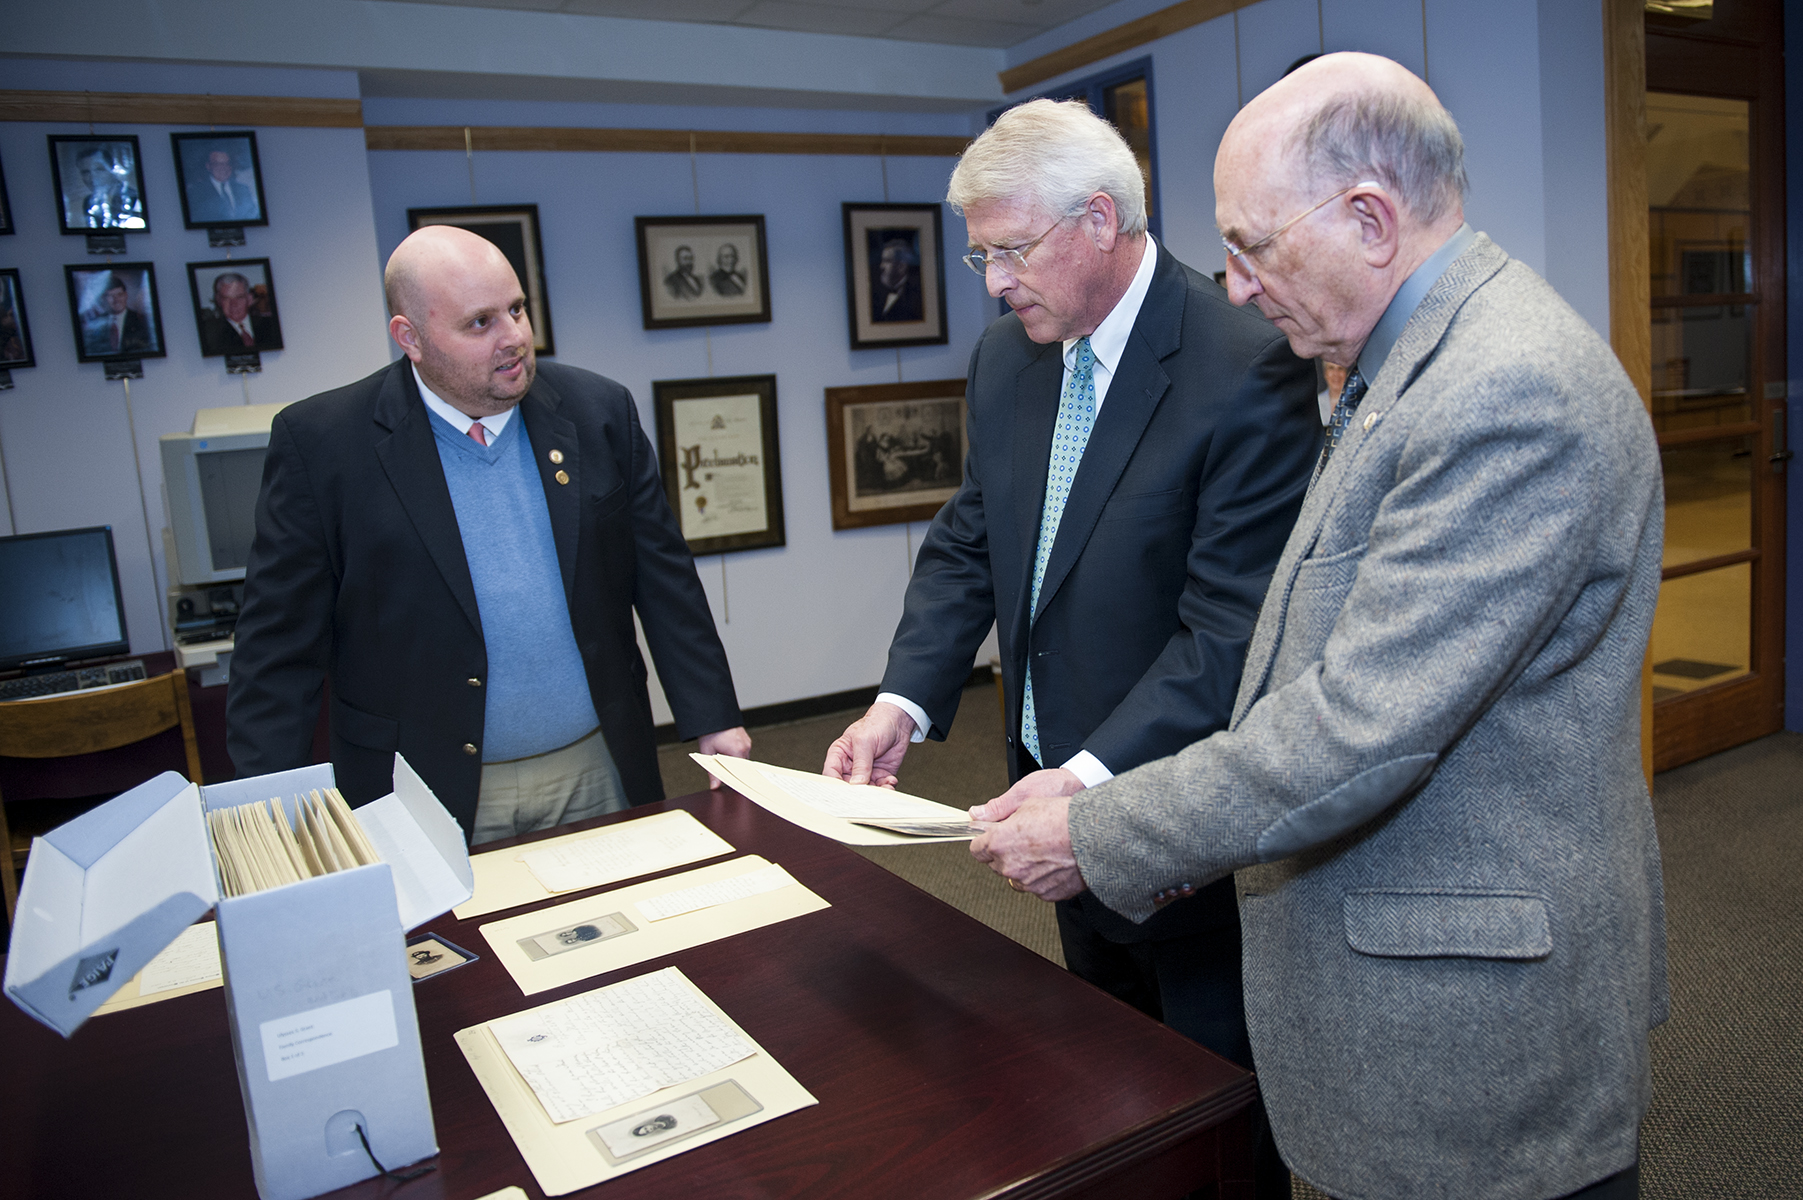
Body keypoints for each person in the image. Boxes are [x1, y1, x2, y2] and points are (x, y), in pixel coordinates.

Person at [972, 54, 1667, 1200]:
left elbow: (1361, 729)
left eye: (1253, 245)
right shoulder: (1395, 367)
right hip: (1405, 994)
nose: (1235, 286)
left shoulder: (1507, 391)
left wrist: (1097, 830)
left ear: (1370, 218)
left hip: (1471, 1037)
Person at [822, 98, 1318, 1195]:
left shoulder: (1247, 364)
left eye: (1008, 249)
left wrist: (1088, 789)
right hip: (1046, 813)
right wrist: (900, 705)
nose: (992, 281)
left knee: (1215, 1115)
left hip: (1179, 823)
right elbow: (970, 542)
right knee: (1106, 1092)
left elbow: (1229, 633)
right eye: (979, 254)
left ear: (1099, 219)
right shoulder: (1011, 357)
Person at [227, 225, 752, 845]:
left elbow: (664, 578)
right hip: (421, 786)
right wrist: (265, 813)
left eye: (517, 309)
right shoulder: (324, 444)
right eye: (480, 323)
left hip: (597, 765)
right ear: (410, 338)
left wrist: (714, 716)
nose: (515, 338)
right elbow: (277, 648)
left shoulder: (597, 411)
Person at [197, 272, 281, 355]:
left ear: (249, 299)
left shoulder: (271, 325)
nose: (234, 304)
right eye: (226, 298)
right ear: (218, 300)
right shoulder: (210, 333)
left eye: (239, 297)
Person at [80, 272, 152, 357]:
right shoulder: (93, 324)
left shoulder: (142, 321)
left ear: (126, 295)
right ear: (103, 298)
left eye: (120, 295)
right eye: (111, 296)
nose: (116, 300)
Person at [69, 149, 143, 230]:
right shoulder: (88, 202)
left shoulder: (133, 198)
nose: (93, 177)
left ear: (112, 169)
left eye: (99, 169)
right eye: (86, 172)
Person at [185, 147, 259, 223]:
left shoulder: (243, 189)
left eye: (227, 163)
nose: (223, 168)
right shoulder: (196, 192)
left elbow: (252, 216)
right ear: (208, 166)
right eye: (217, 164)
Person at [870, 237, 923, 322]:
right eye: (882, 261)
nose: (881, 266)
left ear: (901, 267)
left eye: (887, 261)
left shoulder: (918, 296)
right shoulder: (874, 294)